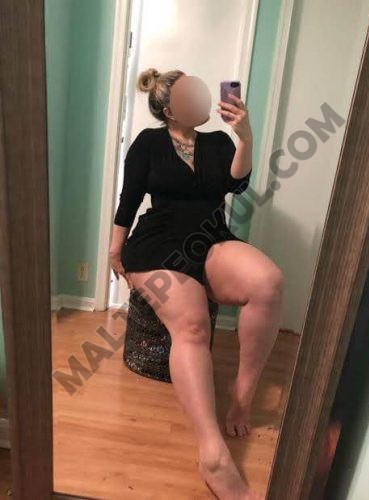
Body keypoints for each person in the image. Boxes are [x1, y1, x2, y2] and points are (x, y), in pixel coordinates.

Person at [109, 68, 283, 500]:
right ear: (170, 110)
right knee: (192, 325)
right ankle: (213, 454)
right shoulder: (148, 143)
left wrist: (245, 135)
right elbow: (129, 199)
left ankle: (241, 395)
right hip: (157, 244)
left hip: (210, 238)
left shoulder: (218, 142)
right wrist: (115, 250)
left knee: (268, 282)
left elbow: (237, 183)